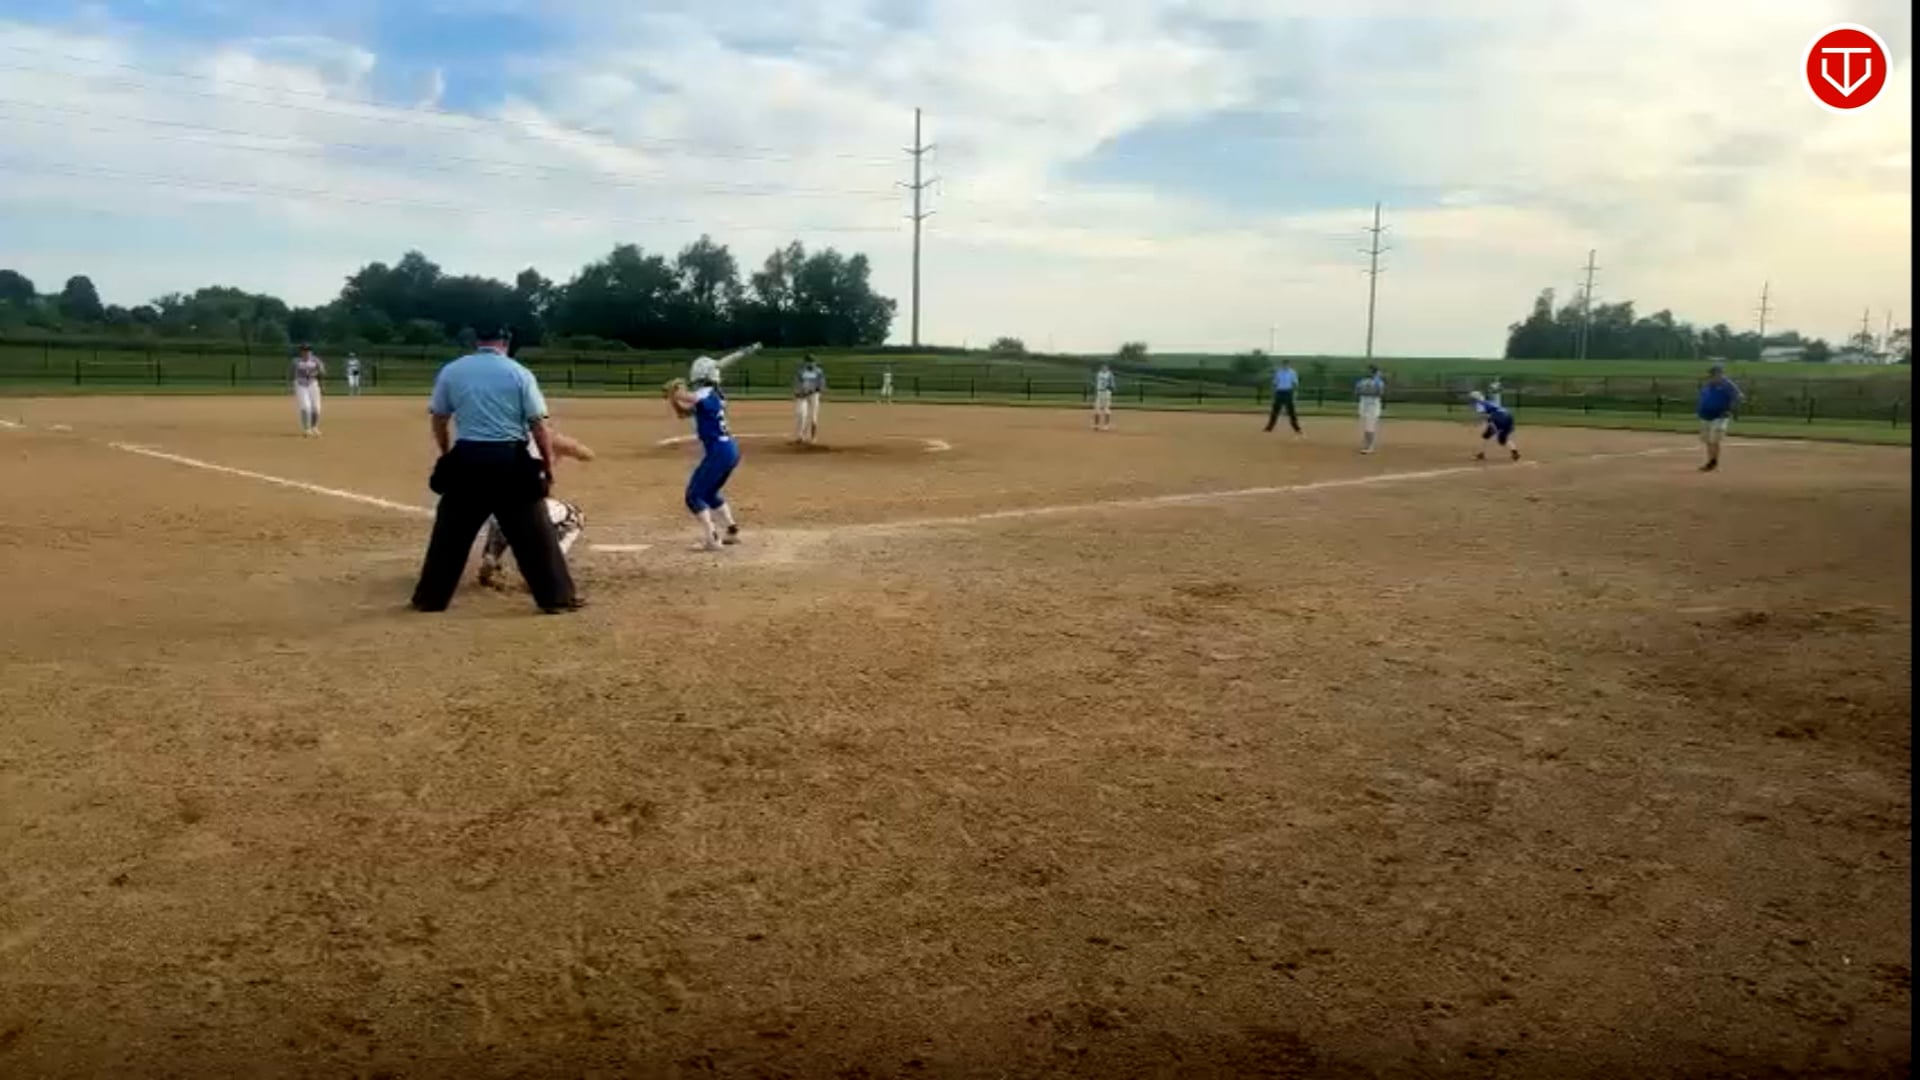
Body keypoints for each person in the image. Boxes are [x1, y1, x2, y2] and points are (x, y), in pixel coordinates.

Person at [409, 326, 581, 614]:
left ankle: (430, 599)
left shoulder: (452, 371)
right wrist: (547, 465)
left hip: (468, 456)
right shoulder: (519, 373)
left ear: (477, 341)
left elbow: (439, 417)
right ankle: (557, 598)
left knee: (449, 534)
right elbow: (538, 425)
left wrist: (448, 453)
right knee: (535, 535)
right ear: (505, 342)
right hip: (510, 459)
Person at [477, 431, 594, 591]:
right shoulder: (546, 437)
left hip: (494, 510)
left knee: (501, 517)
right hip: (530, 509)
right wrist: (559, 448)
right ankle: (547, 570)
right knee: (576, 517)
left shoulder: (494, 437)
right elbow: (586, 455)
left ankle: (491, 558)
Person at [667, 355, 743, 550]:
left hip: (719, 451)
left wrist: (676, 390)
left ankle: (712, 539)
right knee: (709, 493)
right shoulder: (715, 396)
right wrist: (673, 398)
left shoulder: (705, 393)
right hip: (729, 450)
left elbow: (689, 397)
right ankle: (732, 530)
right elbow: (684, 413)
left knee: (693, 496)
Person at [1697, 363, 1744, 472]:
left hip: (1720, 416)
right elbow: (1703, 397)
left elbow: (1739, 396)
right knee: (1708, 440)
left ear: (1721, 374)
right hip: (1705, 415)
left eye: (1715, 374)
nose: (1712, 376)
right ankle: (1710, 461)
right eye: (1711, 374)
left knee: (1714, 439)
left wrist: (1730, 408)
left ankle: (1714, 462)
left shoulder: (1727, 385)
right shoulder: (1708, 385)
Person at [1469, 390, 1521, 462]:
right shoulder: (1489, 402)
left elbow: (1485, 415)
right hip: (1508, 416)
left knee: (1486, 436)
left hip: (1499, 417)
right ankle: (1515, 452)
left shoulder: (1479, 404)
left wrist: (1479, 423)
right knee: (1503, 437)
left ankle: (1481, 454)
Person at [289, 344, 326, 437]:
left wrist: (317, 376)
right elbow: (291, 373)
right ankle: (306, 429)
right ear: (301, 352)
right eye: (304, 350)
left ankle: (314, 427)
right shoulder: (296, 361)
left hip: (313, 384)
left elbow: (322, 372)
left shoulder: (316, 360)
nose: (306, 352)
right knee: (305, 407)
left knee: (316, 408)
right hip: (300, 385)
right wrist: (291, 385)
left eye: (308, 350)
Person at [793, 355, 826, 444]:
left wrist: (816, 389)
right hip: (803, 395)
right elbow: (797, 383)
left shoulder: (818, 371)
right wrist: (798, 392)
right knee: (801, 414)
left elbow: (821, 384)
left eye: (812, 361)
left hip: (814, 395)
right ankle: (801, 436)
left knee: (813, 416)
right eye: (808, 361)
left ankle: (813, 437)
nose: (810, 363)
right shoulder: (801, 371)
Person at [1265, 358, 1302, 436]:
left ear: (1289, 365)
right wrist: (1273, 393)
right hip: (1279, 392)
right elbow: (1275, 383)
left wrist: (1294, 393)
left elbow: (1295, 383)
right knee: (1275, 410)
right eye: (1284, 364)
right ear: (1282, 365)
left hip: (1288, 392)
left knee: (1291, 411)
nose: (1285, 365)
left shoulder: (1292, 372)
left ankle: (1296, 428)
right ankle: (1269, 427)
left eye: (1287, 364)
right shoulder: (1278, 372)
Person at [1355, 364, 1386, 454]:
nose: (1367, 372)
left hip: (1373, 406)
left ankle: (1370, 446)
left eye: (1369, 371)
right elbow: (1357, 391)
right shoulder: (1362, 381)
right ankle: (1366, 444)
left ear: (1373, 372)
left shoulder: (1378, 381)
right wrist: (1368, 391)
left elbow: (1379, 393)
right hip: (1363, 405)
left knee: (1370, 426)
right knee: (1365, 426)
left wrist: (1366, 391)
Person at [1092, 363, 1116, 431]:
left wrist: (1111, 388)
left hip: (1106, 392)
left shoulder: (1110, 374)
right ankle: (1096, 425)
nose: (1104, 368)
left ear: (1108, 368)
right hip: (1099, 392)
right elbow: (1096, 383)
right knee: (1097, 408)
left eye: (1105, 367)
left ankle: (1106, 425)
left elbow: (1112, 384)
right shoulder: (1098, 374)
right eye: (1103, 367)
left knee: (1106, 409)